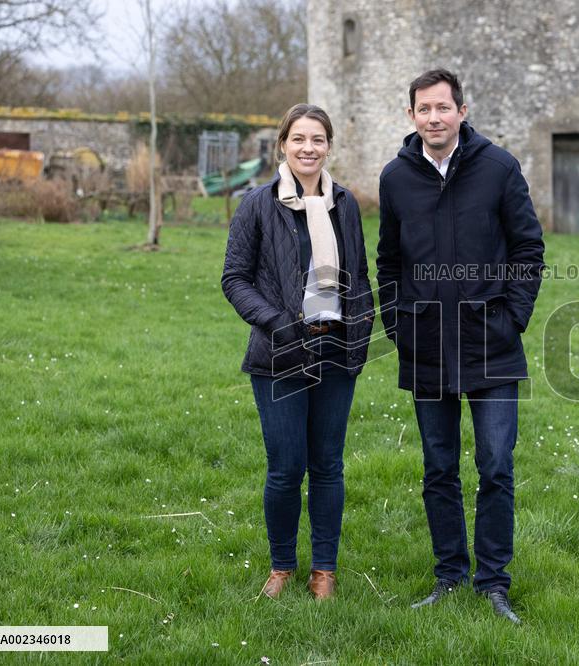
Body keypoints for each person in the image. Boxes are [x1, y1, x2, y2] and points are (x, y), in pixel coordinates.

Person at [376, 69, 545, 623]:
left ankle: (493, 582)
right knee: (438, 468)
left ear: (462, 111)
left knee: (496, 465)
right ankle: (449, 575)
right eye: (424, 109)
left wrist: (513, 316)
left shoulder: (499, 168)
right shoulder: (395, 178)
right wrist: (400, 325)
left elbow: (527, 247)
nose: (434, 117)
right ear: (411, 116)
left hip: (491, 346)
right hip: (425, 347)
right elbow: (389, 261)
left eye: (443, 108)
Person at [222, 103, 373, 600]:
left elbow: (361, 278)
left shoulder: (345, 204)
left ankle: (324, 570)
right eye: (299, 139)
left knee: (328, 464)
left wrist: (358, 333)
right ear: (283, 145)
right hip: (279, 353)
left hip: (335, 349)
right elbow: (235, 279)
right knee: (286, 467)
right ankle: (283, 565)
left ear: (329, 147)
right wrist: (278, 324)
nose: (309, 148)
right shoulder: (257, 204)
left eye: (319, 140)